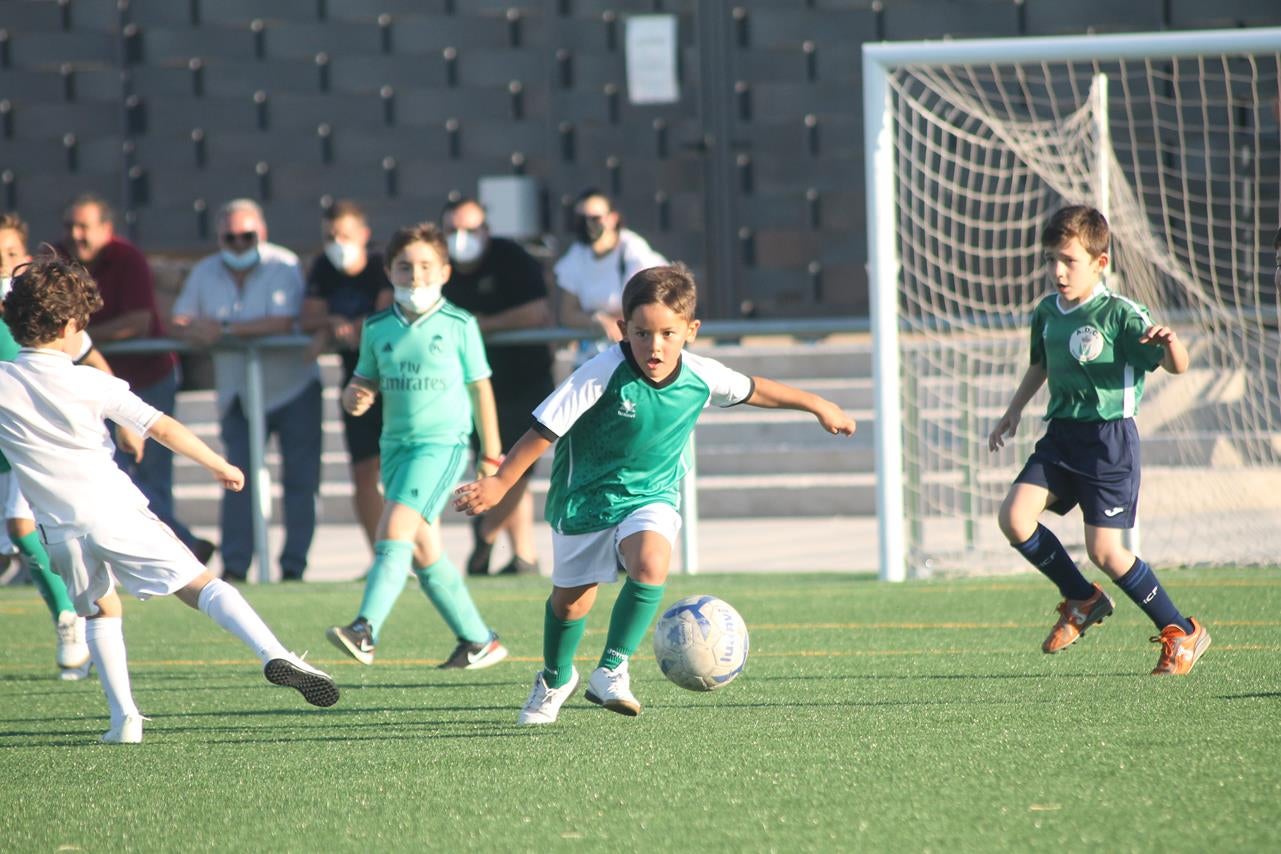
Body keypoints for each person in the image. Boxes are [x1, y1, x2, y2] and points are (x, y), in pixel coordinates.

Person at [453, 264, 856, 725]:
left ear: (691, 330)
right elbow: (542, 431)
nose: (655, 346)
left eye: (668, 333)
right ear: (624, 330)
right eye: (642, 334)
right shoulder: (600, 372)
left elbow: (756, 389)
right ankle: (555, 677)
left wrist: (819, 405)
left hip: (652, 494)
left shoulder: (702, 376)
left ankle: (611, 668)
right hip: (585, 499)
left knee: (650, 563)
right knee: (571, 603)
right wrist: (500, 483)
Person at [0, 254, 338, 744]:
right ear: (72, 324)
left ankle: (124, 720)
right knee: (200, 585)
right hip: (114, 511)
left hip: (59, 531)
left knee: (99, 611)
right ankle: (273, 652)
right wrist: (218, 465)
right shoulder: (92, 382)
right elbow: (161, 426)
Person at [987, 205, 1209, 676]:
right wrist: (1013, 410)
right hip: (1062, 437)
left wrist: (1171, 344)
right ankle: (1082, 598)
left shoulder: (1120, 315)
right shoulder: (1047, 311)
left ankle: (1180, 630)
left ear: (1100, 262)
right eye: (1052, 260)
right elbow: (1041, 364)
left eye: (1069, 260)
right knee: (1014, 518)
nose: (1058, 271)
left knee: (1106, 552)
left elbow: (1178, 365)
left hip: (1109, 441)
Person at [325, 223, 509, 670]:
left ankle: (365, 629)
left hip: (441, 447)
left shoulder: (460, 324)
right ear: (389, 270)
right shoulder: (377, 327)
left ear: (445, 271)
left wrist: (491, 457)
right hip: (396, 448)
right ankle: (478, 640)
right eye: (405, 266)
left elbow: (480, 390)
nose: (416, 275)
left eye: (427, 265)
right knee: (425, 550)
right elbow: (363, 380)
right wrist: (354, 396)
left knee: (395, 530)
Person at [1, 214, 149, 679]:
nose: (3, 263)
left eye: (11, 254)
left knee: (21, 523)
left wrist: (125, 419)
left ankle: (69, 617)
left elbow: (91, 358)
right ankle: (73, 612)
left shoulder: (36, 311)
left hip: (41, 440)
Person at [171, 199, 323, 582]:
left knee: (300, 483)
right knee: (235, 479)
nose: (238, 244)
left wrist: (222, 330)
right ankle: (236, 567)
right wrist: (194, 329)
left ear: (263, 234)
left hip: (293, 389)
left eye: (247, 236)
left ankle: (293, 567)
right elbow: (180, 319)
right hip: (238, 394)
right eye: (230, 237)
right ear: (220, 236)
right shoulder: (205, 271)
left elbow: (286, 320)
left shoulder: (283, 264)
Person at [59, 194, 214, 565]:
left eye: (84, 226)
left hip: (146, 380)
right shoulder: (62, 264)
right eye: (70, 227)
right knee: (117, 476)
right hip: (93, 387)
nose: (76, 235)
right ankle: (185, 547)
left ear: (106, 229)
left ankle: (178, 553)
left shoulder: (128, 259)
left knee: (149, 477)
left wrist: (76, 335)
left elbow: (139, 322)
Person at [441, 197, 555, 577]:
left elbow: (537, 313)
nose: (461, 239)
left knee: (518, 465)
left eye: (470, 230)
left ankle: (486, 536)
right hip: (473, 387)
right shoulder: (439, 266)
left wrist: (481, 325)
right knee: (492, 463)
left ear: (487, 231)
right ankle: (523, 555)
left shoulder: (512, 258)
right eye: (453, 230)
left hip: (525, 378)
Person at [301, 200, 393, 550]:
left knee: (397, 472)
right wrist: (330, 324)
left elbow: (383, 315)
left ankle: (413, 555)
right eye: (330, 235)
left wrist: (346, 327)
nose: (337, 242)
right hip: (354, 380)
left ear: (364, 235)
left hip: (393, 382)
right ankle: (380, 554)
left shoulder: (379, 266)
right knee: (363, 471)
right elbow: (308, 317)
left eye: (345, 234)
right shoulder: (323, 267)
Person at [553, 188, 667, 347]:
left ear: (613, 218)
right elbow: (567, 313)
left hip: (633, 350)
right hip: (593, 353)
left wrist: (613, 317)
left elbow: (650, 302)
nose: (587, 224)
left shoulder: (632, 249)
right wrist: (598, 319)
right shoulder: (577, 254)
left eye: (595, 218)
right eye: (581, 218)